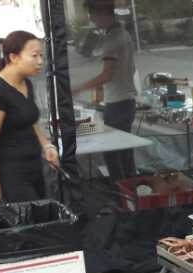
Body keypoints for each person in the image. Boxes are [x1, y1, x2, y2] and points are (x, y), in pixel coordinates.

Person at [0, 30, 59, 204]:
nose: (40, 61)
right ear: (14, 57)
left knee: (41, 213)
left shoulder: (26, 83)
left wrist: (46, 145)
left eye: (41, 55)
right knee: (29, 218)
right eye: (34, 56)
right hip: (12, 173)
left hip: (34, 165)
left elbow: (30, 121)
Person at [72, 0, 137, 178]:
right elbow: (121, 71)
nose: (92, 20)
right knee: (124, 151)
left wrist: (79, 88)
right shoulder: (123, 34)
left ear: (103, 14)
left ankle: (120, 190)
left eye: (92, 15)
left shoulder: (112, 39)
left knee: (112, 152)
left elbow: (106, 75)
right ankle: (131, 188)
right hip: (126, 100)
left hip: (117, 103)